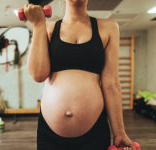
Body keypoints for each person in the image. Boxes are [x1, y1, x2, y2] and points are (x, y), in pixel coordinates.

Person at [25, 0, 136, 150]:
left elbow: (111, 84)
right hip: (50, 137)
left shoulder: (109, 27)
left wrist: (120, 133)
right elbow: (38, 75)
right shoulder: (47, 28)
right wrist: (38, 25)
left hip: (94, 134)